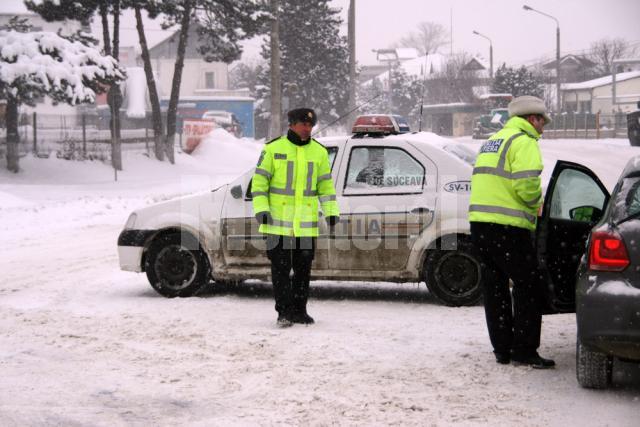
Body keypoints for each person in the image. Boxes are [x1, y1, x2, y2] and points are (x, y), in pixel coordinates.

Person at [468, 95, 556, 369]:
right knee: (529, 286)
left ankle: (502, 349)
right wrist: (536, 204)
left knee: (495, 288)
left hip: (480, 225)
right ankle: (525, 350)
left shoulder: (493, 141)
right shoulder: (524, 142)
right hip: (508, 228)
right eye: (542, 121)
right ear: (532, 118)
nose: (543, 127)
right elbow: (526, 184)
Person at [252, 108, 340, 327]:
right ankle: (284, 312)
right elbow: (259, 184)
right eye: (303, 124)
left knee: (303, 271)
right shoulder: (273, 149)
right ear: (291, 124)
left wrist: (331, 211)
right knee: (280, 272)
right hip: (276, 226)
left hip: (306, 227)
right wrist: (261, 209)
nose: (307, 128)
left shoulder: (319, 152)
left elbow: (325, 186)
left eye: (310, 125)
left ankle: (300, 311)